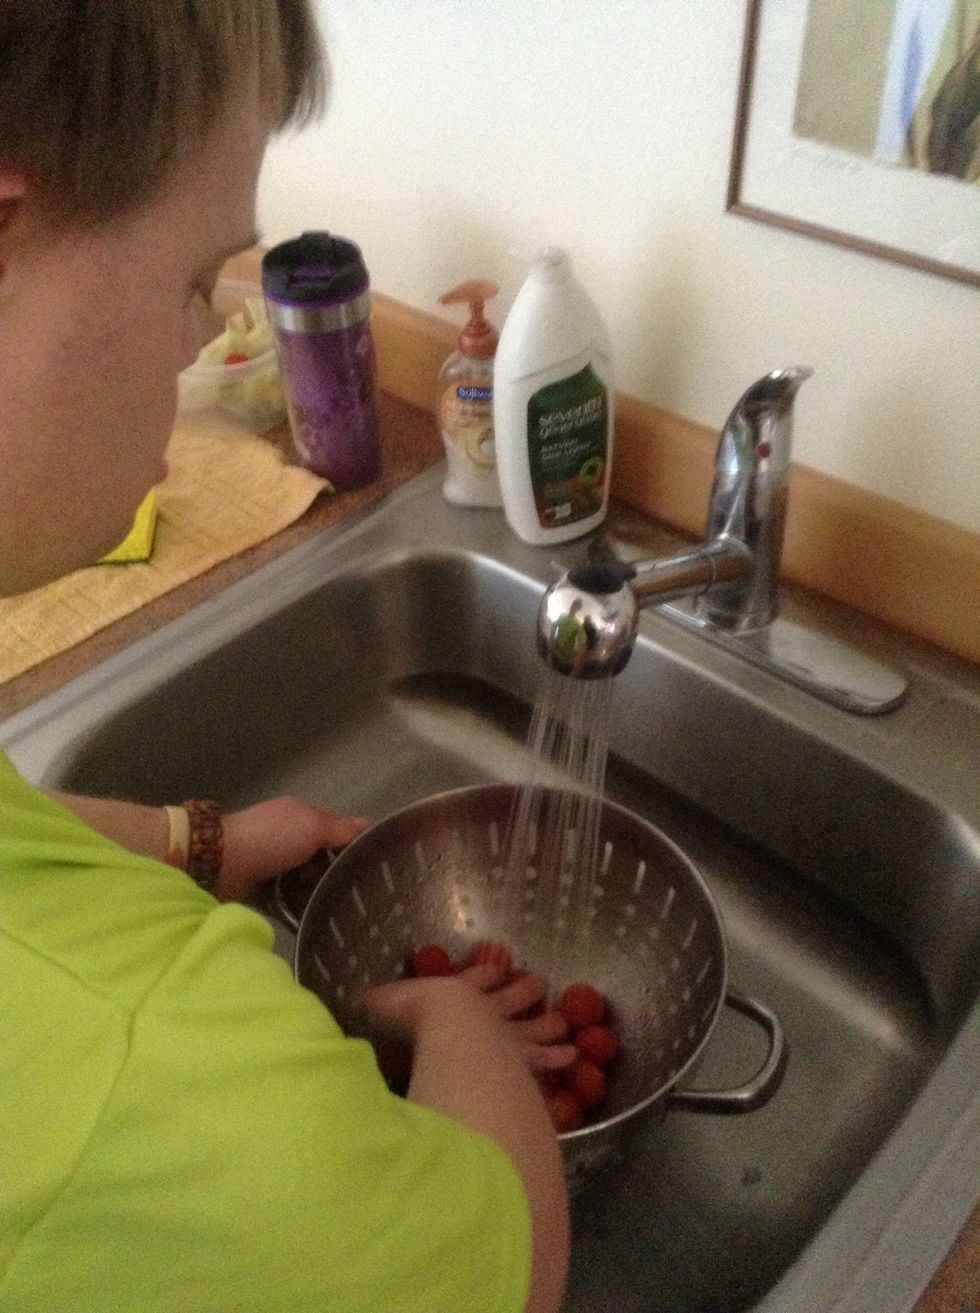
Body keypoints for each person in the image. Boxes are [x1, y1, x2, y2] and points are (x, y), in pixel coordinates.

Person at [0, 5, 572, 1312]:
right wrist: (453, 1022)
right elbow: (508, 1272)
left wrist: (196, 840)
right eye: (195, 278)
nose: (208, 335)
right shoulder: (140, 1061)